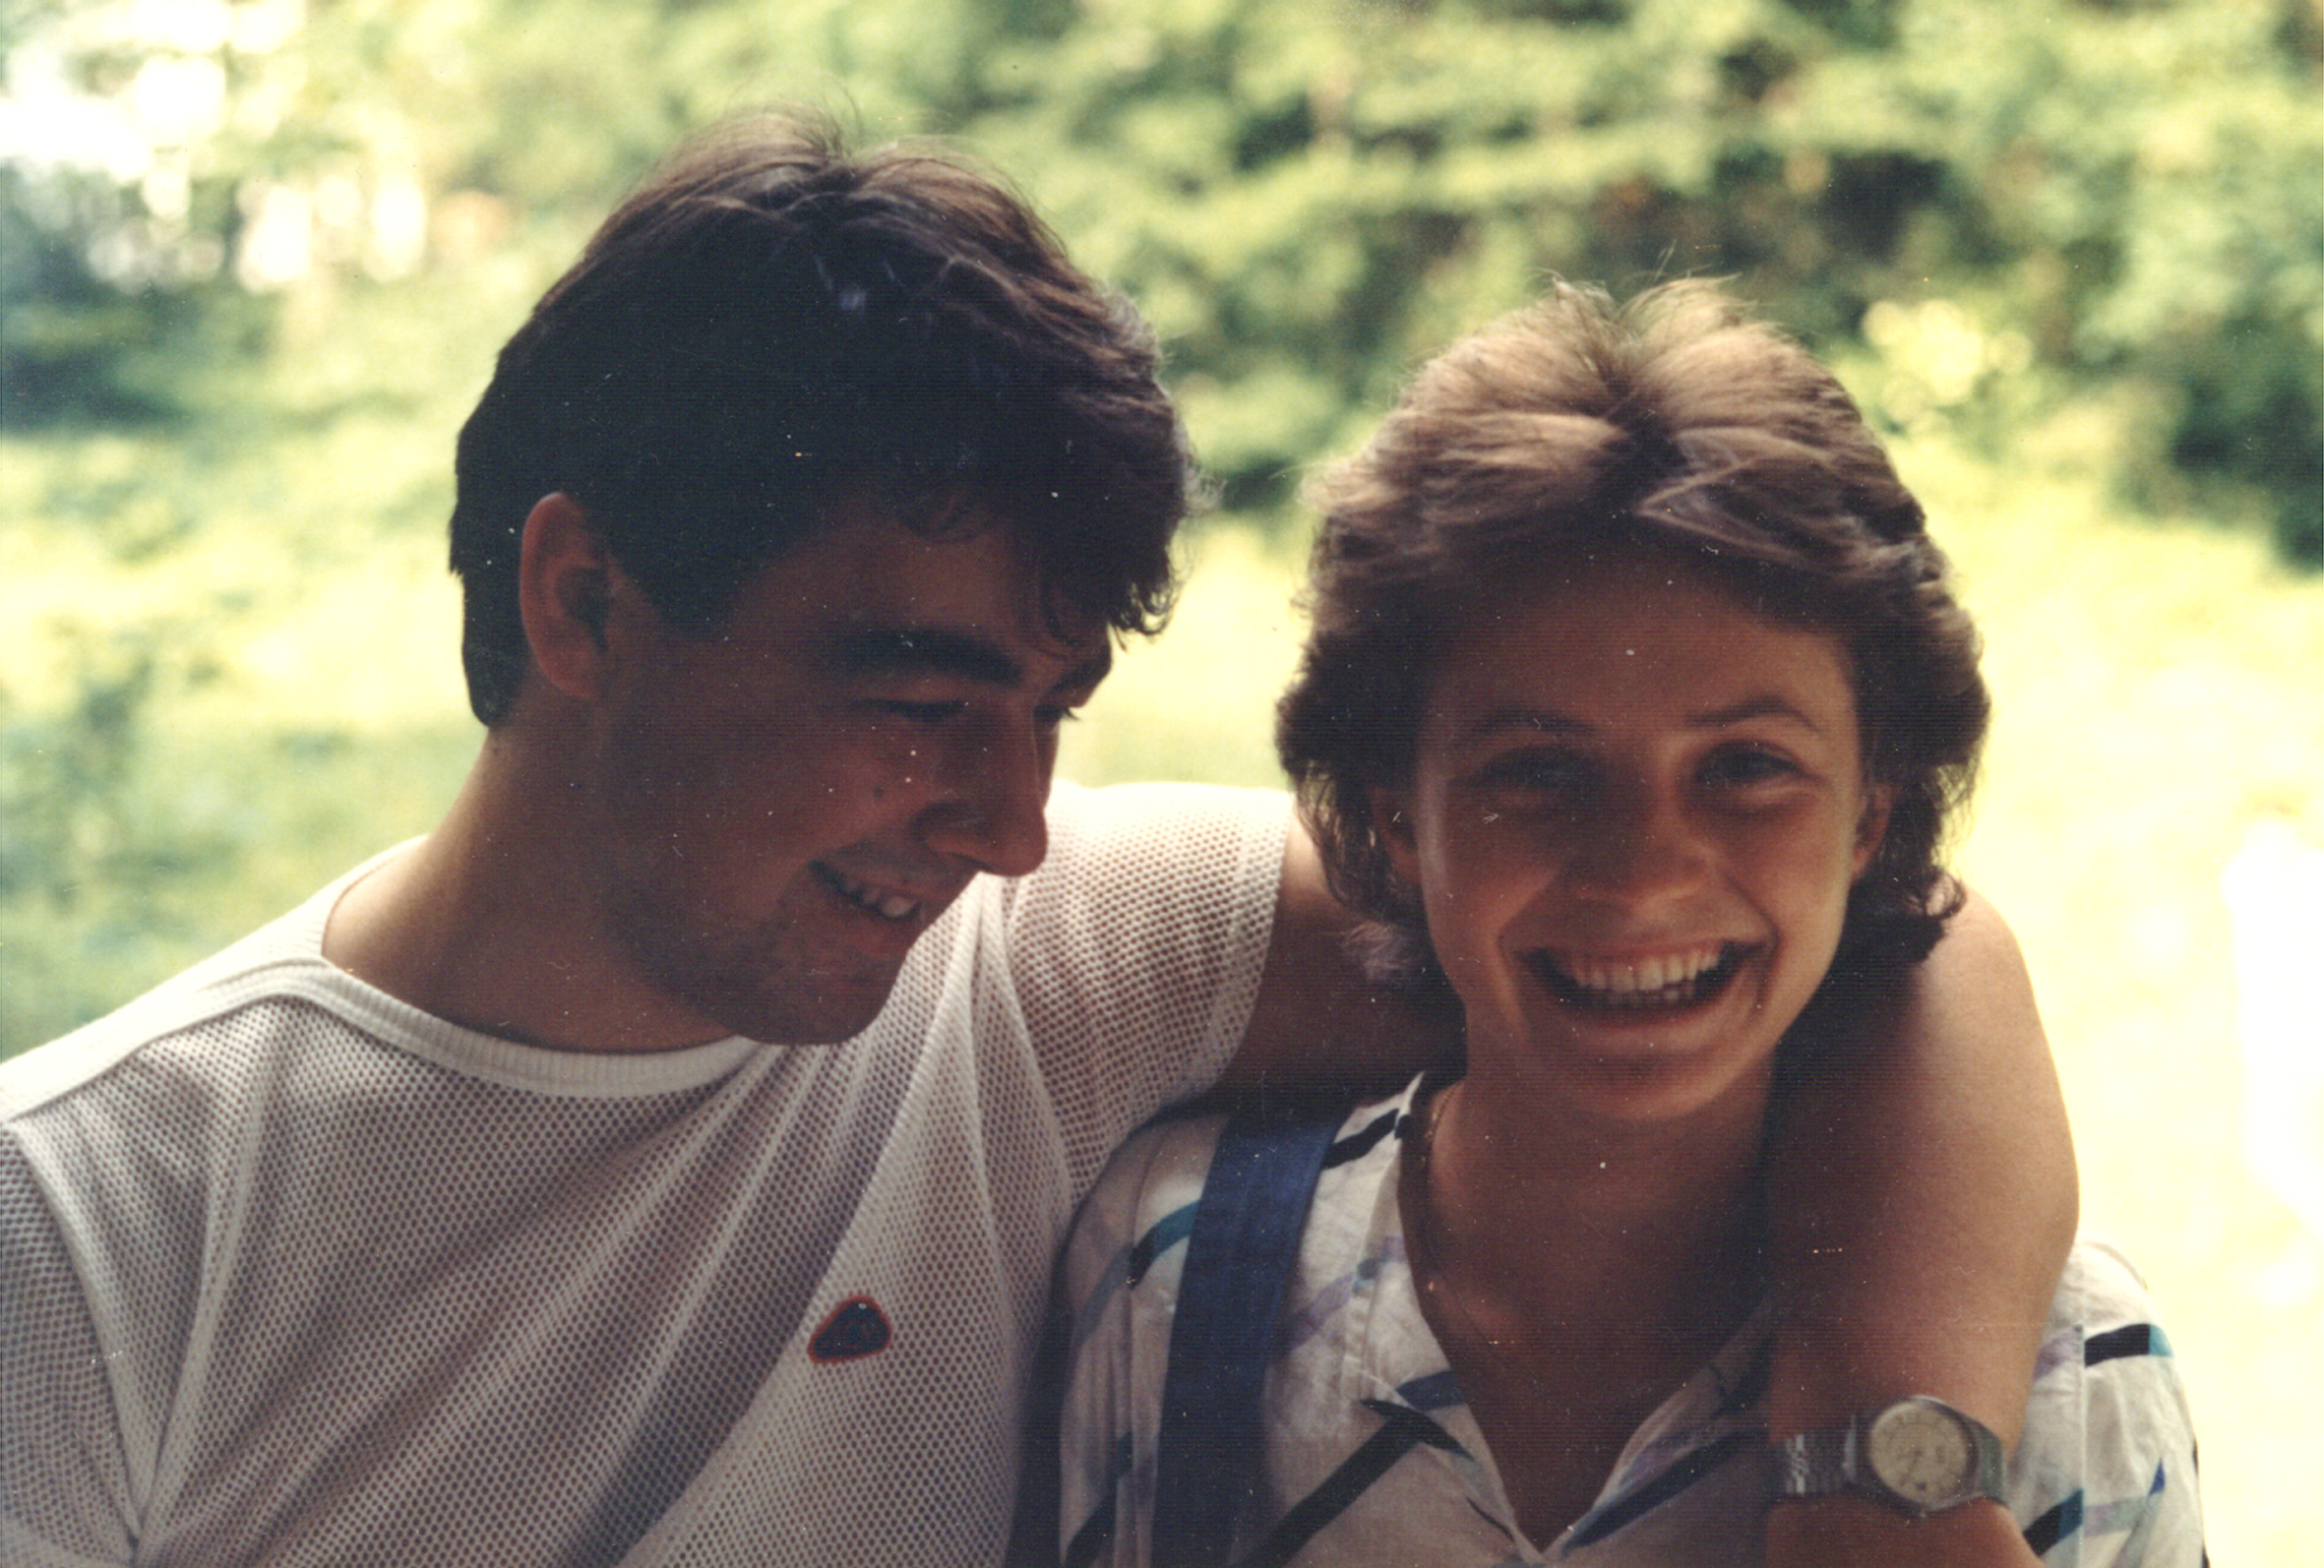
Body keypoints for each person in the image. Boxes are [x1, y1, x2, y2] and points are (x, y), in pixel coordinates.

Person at [2, 111, 2066, 1567]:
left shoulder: (1048, 963)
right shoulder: (84, 1238)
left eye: (1048, 712)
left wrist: (1881, 1477)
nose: (1007, 828)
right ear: (585, 601)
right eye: (917, 702)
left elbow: (1881, 941)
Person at [1053, 281, 2202, 1566]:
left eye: (1747, 767)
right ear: (1394, 820)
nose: (1643, 872)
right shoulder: (1173, 1276)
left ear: (1870, 819)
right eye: (1537, 770)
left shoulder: (2070, 1387)